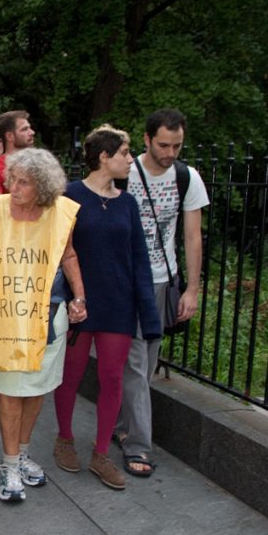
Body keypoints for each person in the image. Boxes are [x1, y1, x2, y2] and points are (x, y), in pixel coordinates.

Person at [56, 125, 161, 490]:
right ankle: (65, 438)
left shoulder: (128, 203)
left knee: (113, 379)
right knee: (70, 375)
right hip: (79, 304)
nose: (131, 160)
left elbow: (139, 260)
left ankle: (101, 453)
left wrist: (147, 313)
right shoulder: (69, 196)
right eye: (125, 154)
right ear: (104, 156)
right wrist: (69, 298)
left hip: (119, 305)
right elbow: (59, 252)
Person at [0, 149, 85, 502]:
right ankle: (9, 464)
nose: (14, 186)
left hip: (48, 312)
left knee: (37, 387)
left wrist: (79, 298)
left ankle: (22, 453)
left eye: (23, 182)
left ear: (41, 187)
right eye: (13, 178)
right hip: (6, 315)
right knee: (9, 390)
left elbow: (67, 254)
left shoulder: (60, 214)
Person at [116, 109, 209, 476]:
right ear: (147, 140)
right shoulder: (125, 172)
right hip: (125, 282)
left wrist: (192, 289)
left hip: (162, 282)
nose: (171, 152)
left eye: (178, 145)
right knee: (137, 363)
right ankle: (138, 445)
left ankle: (122, 427)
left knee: (144, 364)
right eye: (163, 145)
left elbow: (192, 236)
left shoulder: (187, 178)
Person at [0, 111, 35, 194]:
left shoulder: (38, 164)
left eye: (29, 128)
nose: (32, 132)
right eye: (24, 129)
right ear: (9, 136)